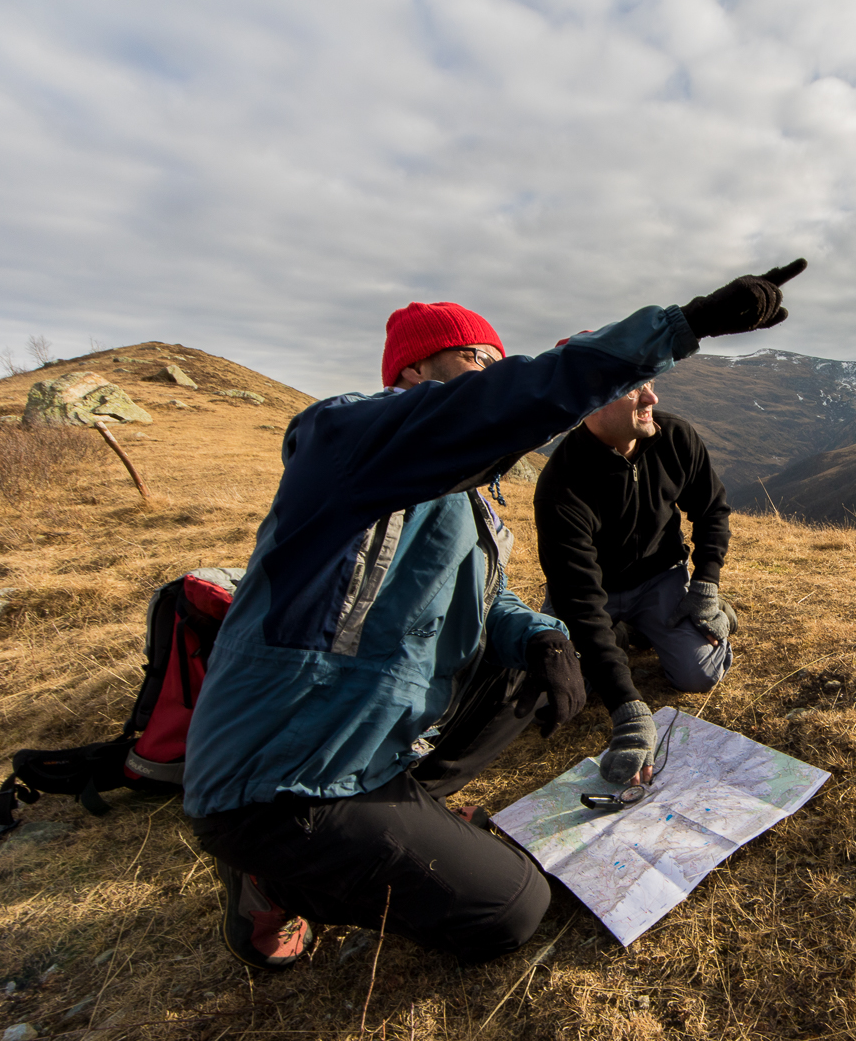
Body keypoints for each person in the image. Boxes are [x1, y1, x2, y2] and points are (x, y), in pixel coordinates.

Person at [184, 259, 806, 971]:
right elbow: (508, 402)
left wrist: (541, 636)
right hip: (284, 775)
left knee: (535, 659)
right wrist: (683, 324)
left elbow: (485, 597)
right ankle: (270, 879)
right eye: (476, 357)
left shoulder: (462, 492)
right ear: (414, 371)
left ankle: (408, 810)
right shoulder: (346, 437)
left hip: (373, 744)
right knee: (511, 908)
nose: (493, 370)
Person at [533, 376, 735, 787]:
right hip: (593, 596)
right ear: (589, 402)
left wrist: (706, 585)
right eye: (632, 388)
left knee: (698, 674)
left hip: (660, 579)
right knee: (558, 692)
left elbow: (712, 510)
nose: (651, 397)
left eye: (649, 382)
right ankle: (622, 635)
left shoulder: (675, 437)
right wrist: (628, 712)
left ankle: (711, 614)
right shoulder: (561, 484)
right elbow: (579, 601)